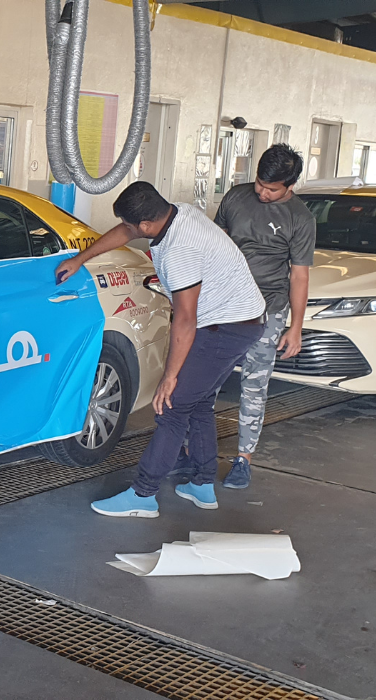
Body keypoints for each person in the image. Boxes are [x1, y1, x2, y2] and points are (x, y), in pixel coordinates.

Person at [55, 182, 266, 517]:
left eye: (129, 224)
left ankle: (143, 494)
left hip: (226, 326)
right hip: (239, 319)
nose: (125, 229)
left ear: (146, 225)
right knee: (197, 401)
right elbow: (126, 231)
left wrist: (169, 377)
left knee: (171, 405)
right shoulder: (177, 212)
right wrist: (81, 259)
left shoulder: (180, 250)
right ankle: (202, 484)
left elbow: (185, 319)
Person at [211, 144, 316, 489]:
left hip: (267, 309)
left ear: (290, 185)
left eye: (271, 189)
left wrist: (295, 327)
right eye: (259, 183)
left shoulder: (300, 218)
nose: (262, 192)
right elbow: (217, 245)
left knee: (254, 384)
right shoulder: (235, 197)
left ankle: (244, 459)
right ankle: (193, 449)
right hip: (225, 304)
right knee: (207, 379)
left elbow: (299, 276)